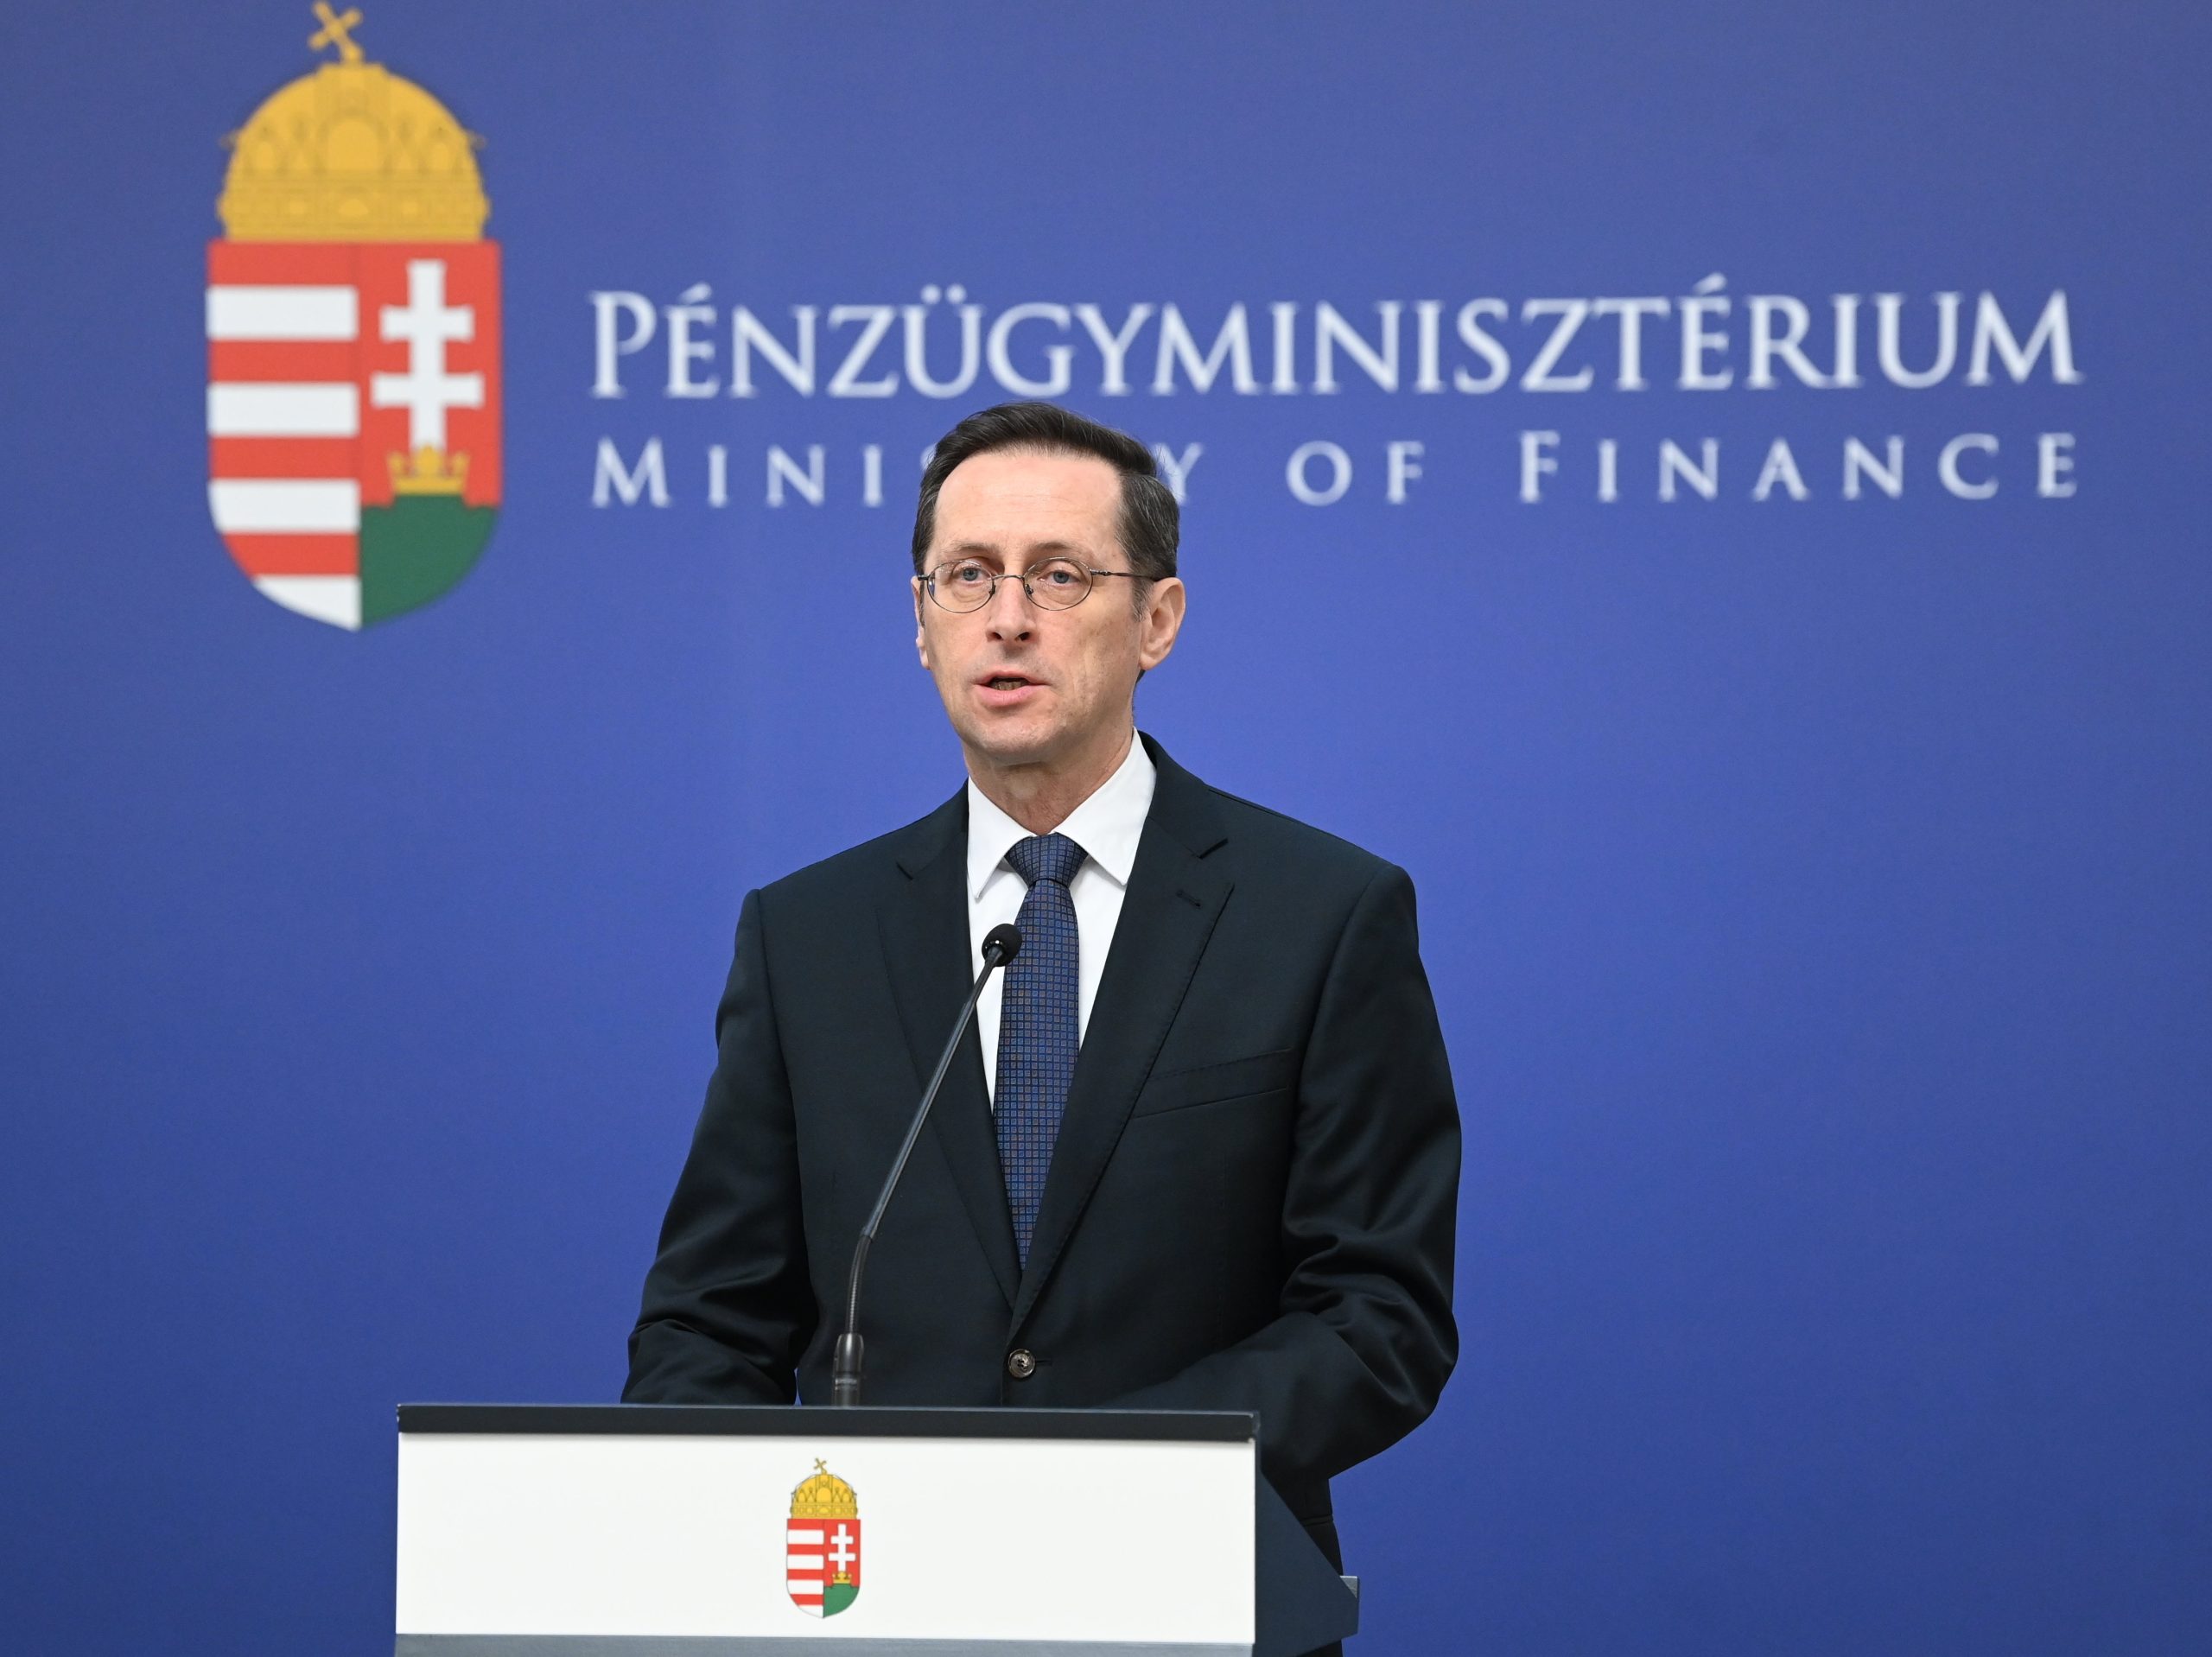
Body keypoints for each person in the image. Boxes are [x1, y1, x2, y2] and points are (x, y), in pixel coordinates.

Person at [625, 400, 1459, 1571]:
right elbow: (709, 1321)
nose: (1007, 618)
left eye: (1059, 576)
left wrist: (1098, 1481)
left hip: (1192, 1589)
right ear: (922, 623)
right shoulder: (807, 937)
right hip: (877, 1608)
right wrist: (740, 1543)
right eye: (967, 576)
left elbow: (1378, 1315)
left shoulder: (1320, 915)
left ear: (1156, 619)